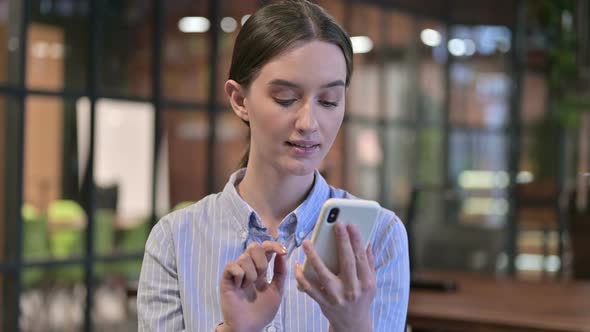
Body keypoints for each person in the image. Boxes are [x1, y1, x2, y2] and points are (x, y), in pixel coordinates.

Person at [137, 1, 410, 331]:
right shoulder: (175, 241)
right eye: (285, 98)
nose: (309, 122)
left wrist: (352, 325)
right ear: (240, 101)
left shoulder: (380, 236)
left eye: (329, 101)